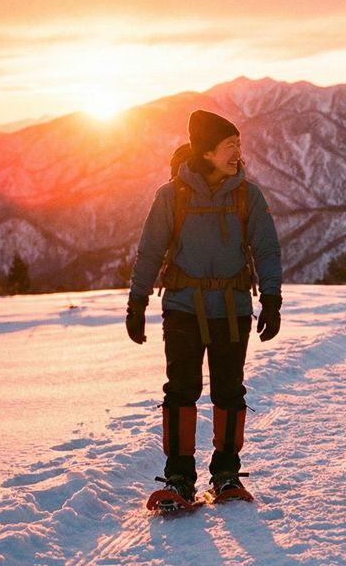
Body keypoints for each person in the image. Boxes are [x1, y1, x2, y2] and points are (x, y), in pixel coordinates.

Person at [126, 109, 283, 508]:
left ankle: (226, 473)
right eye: (230, 146)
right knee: (181, 390)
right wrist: (137, 300)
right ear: (208, 152)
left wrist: (272, 298)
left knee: (229, 391)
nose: (238, 154)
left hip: (231, 309)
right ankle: (179, 477)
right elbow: (149, 252)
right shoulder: (172, 195)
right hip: (182, 307)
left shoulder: (248, 195)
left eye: (238, 146)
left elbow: (266, 249)